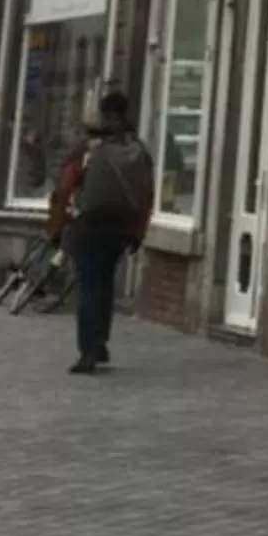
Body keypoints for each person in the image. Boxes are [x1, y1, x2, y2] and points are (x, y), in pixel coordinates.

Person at [66, 89, 153, 377]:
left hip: (91, 224)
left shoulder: (92, 147)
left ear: (104, 115)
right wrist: (138, 232)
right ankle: (100, 341)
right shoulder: (138, 147)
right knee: (104, 285)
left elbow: (69, 180)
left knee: (89, 286)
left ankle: (88, 351)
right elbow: (146, 193)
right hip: (121, 228)